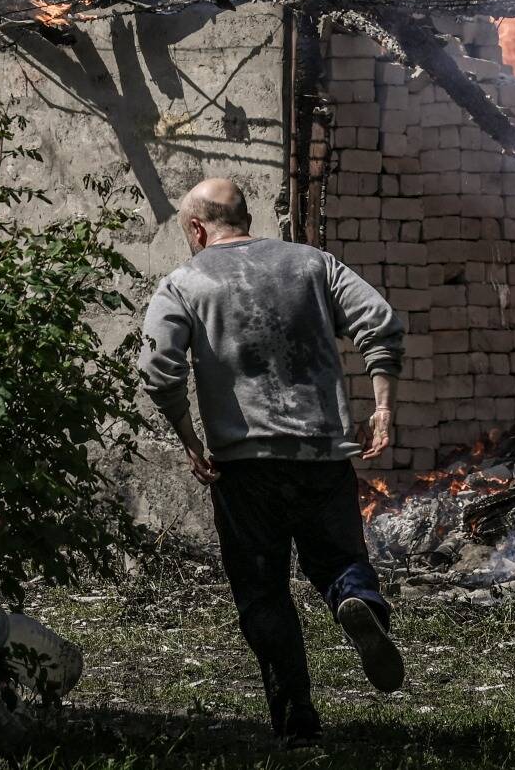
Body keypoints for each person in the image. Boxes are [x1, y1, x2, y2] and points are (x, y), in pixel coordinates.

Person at [137, 176, 406, 742]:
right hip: (322, 452)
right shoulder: (313, 264)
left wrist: (190, 439)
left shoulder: (184, 282)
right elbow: (377, 319)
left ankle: (297, 722)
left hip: (245, 465)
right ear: (247, 217)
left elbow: (158, 367)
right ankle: (358, 601)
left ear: (196, 227)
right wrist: (382, 409)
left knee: (263, 591)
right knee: (336, 561)